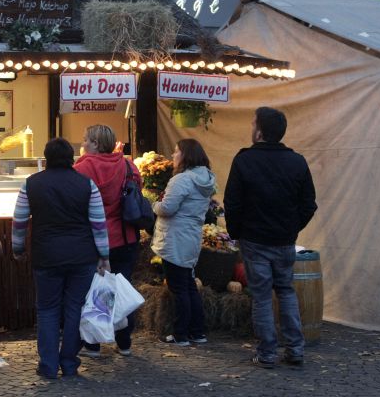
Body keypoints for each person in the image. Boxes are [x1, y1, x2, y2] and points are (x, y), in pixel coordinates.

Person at [224, 107, 317, 369]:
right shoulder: (297, 161)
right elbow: (309, 204)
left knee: (262, 296)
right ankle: (295, 349)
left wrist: (236, 232)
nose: (251, 128)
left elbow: (233, 203)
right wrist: (292, 228)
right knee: (286, 291)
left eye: (253, 123)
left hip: (254, 239)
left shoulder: (244, 160)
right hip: (284, 239)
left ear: (260, 131)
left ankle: (266, 353)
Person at [12, 138, 110, 379]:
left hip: (46, 256)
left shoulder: (31, 184)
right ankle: (69, 363)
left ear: (46, 158)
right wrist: (104, 255)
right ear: (71, 158)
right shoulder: (87, 185)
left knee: (47, 309)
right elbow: (99, 224)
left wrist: (18, 248)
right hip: (82, 257)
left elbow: (19, 221)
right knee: (75, 307)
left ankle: (48, 365)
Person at [73, 125, 142, 357]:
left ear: (95, 143)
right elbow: (137, 192)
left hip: (93, 239)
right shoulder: (128, 165)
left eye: (85, 140)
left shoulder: (82, 168)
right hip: (125, 236)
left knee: (92, 291)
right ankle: (124, 342)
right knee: (121, 288)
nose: (83, 144)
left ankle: (93, 344)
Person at [151, 139, 216, 347]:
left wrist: (154, 204)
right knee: (188, 285)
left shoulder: (181, 180)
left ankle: (180, 334)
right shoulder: (205, 179)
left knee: (179, 288)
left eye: (176, 151)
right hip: (190, 237)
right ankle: (197, 332)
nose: (173, 155)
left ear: (186, 155)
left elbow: (167, 208)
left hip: (175, 238)